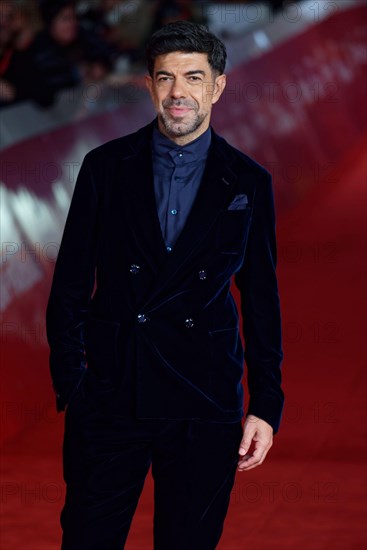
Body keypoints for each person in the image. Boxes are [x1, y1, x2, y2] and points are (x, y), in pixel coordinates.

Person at [46, 20, 284, 550]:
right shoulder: (105, 167)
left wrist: (266, 404)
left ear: (217, 86)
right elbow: (70, 283)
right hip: (110, 396)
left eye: (193, 77)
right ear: (151, 86)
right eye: (166, 78)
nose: (179, 93)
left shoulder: (247, 181)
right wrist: (74, 383)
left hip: (204, 398)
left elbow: (262, 299)